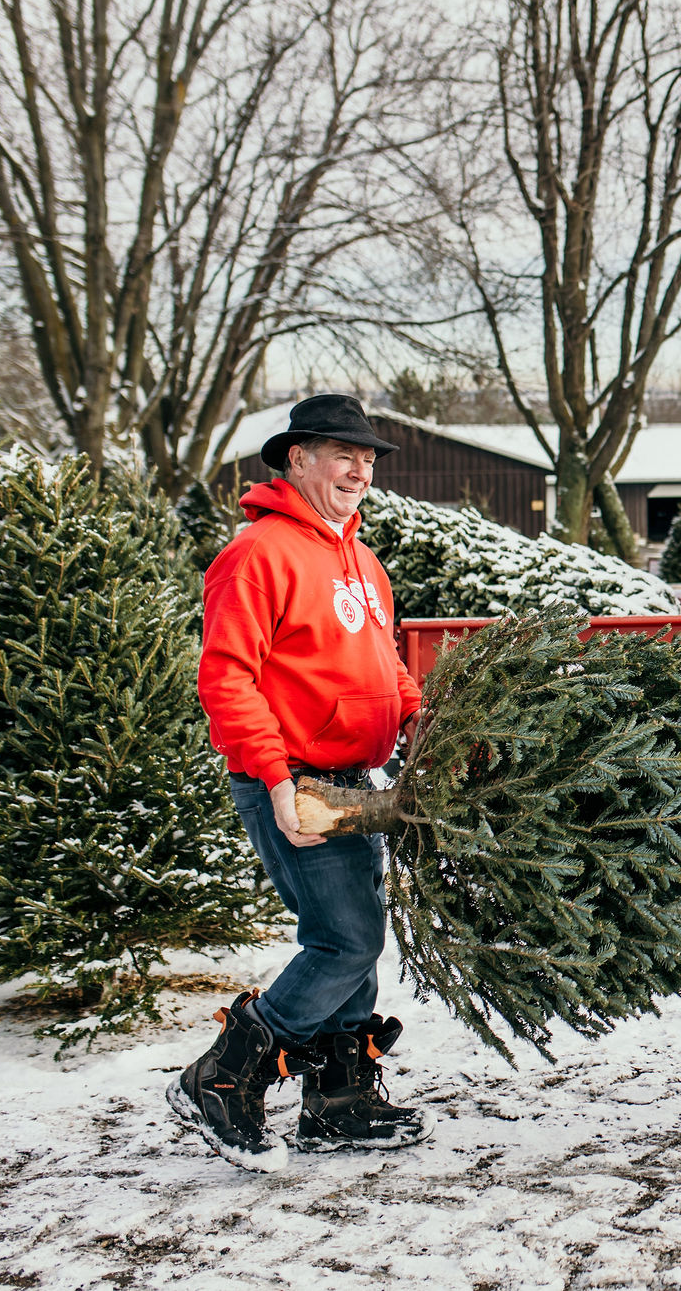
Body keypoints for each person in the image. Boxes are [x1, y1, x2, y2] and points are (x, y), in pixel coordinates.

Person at [168, 395, 434, 1172]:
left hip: (356, 776)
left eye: (369, 458)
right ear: (296, 459)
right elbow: (225, 678)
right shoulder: (259, 554)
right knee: (345, 939)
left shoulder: (360, 559)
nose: (360, 469)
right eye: (341, 453)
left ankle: (340, 1102)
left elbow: (384, 667)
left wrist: (420, 726)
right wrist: (276, 779)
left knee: (356, 934)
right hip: (294, 780)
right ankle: (221, 1076)